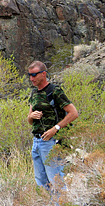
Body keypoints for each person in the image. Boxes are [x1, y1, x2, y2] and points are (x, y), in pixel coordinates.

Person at [26, 61, 79, 190]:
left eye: (34, 75)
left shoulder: (54, 91)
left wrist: (55, 128)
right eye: (29, 75)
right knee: (41, 181)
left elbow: (73, 113)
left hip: (51, 142)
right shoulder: (34, 93)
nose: (31, 78)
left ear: (43, 74)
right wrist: (31, 117)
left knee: (56, 179)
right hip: (37, 141)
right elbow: (30, 119)